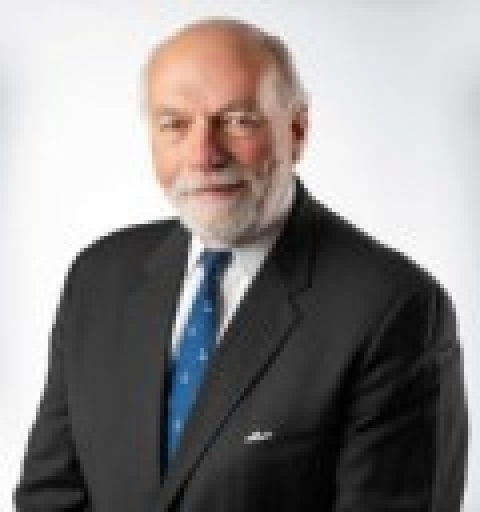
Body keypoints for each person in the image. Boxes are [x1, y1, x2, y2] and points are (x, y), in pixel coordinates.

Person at [13, 18, 468, 512]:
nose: (204, 155)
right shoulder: (98, 277)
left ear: (297, 130)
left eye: (237, 120)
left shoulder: (392, 307)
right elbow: (48, 497)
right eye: (174, 124)